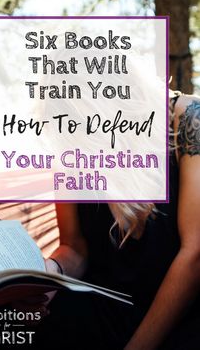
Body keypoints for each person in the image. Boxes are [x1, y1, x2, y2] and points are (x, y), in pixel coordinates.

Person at [35, 91, 200, 350]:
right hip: (104, 305)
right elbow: (74, 248)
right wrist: (48, 274)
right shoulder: (68, 134)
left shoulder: (188, 117)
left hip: (179, 312)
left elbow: (195, 252)